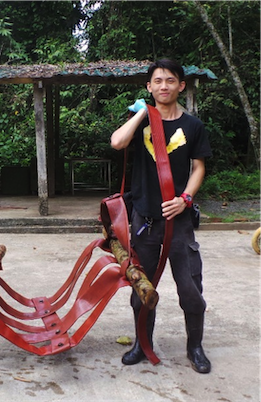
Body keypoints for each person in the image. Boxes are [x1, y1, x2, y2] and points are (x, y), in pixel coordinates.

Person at [110, 59, 213, 373]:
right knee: (142, 289)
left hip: (179, 224)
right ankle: (142, 343)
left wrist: (185, 199)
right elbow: (117, 142)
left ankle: (194, 347)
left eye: (170, 80)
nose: (164, 86)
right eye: (157, 81)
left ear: (181, 85)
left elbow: (199, 167)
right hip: (146, 222)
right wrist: (143, 112)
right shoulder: (141, 121)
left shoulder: (194, 126)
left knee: (191, 290)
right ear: (149, 87)